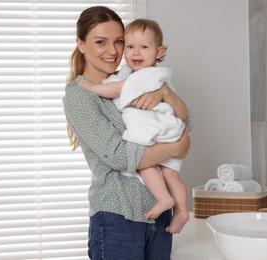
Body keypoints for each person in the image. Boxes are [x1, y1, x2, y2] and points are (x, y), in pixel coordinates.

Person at [63, 6, 192, 260]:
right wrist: (175, 148)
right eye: (101, 42)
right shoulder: (80, 94)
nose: (113, 51)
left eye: (119, 42)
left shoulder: (136, 78)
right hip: (117, 216)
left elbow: (188, 122)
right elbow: (120, 156)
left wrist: (165, 93)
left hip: (159, 216)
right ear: (81, 43)